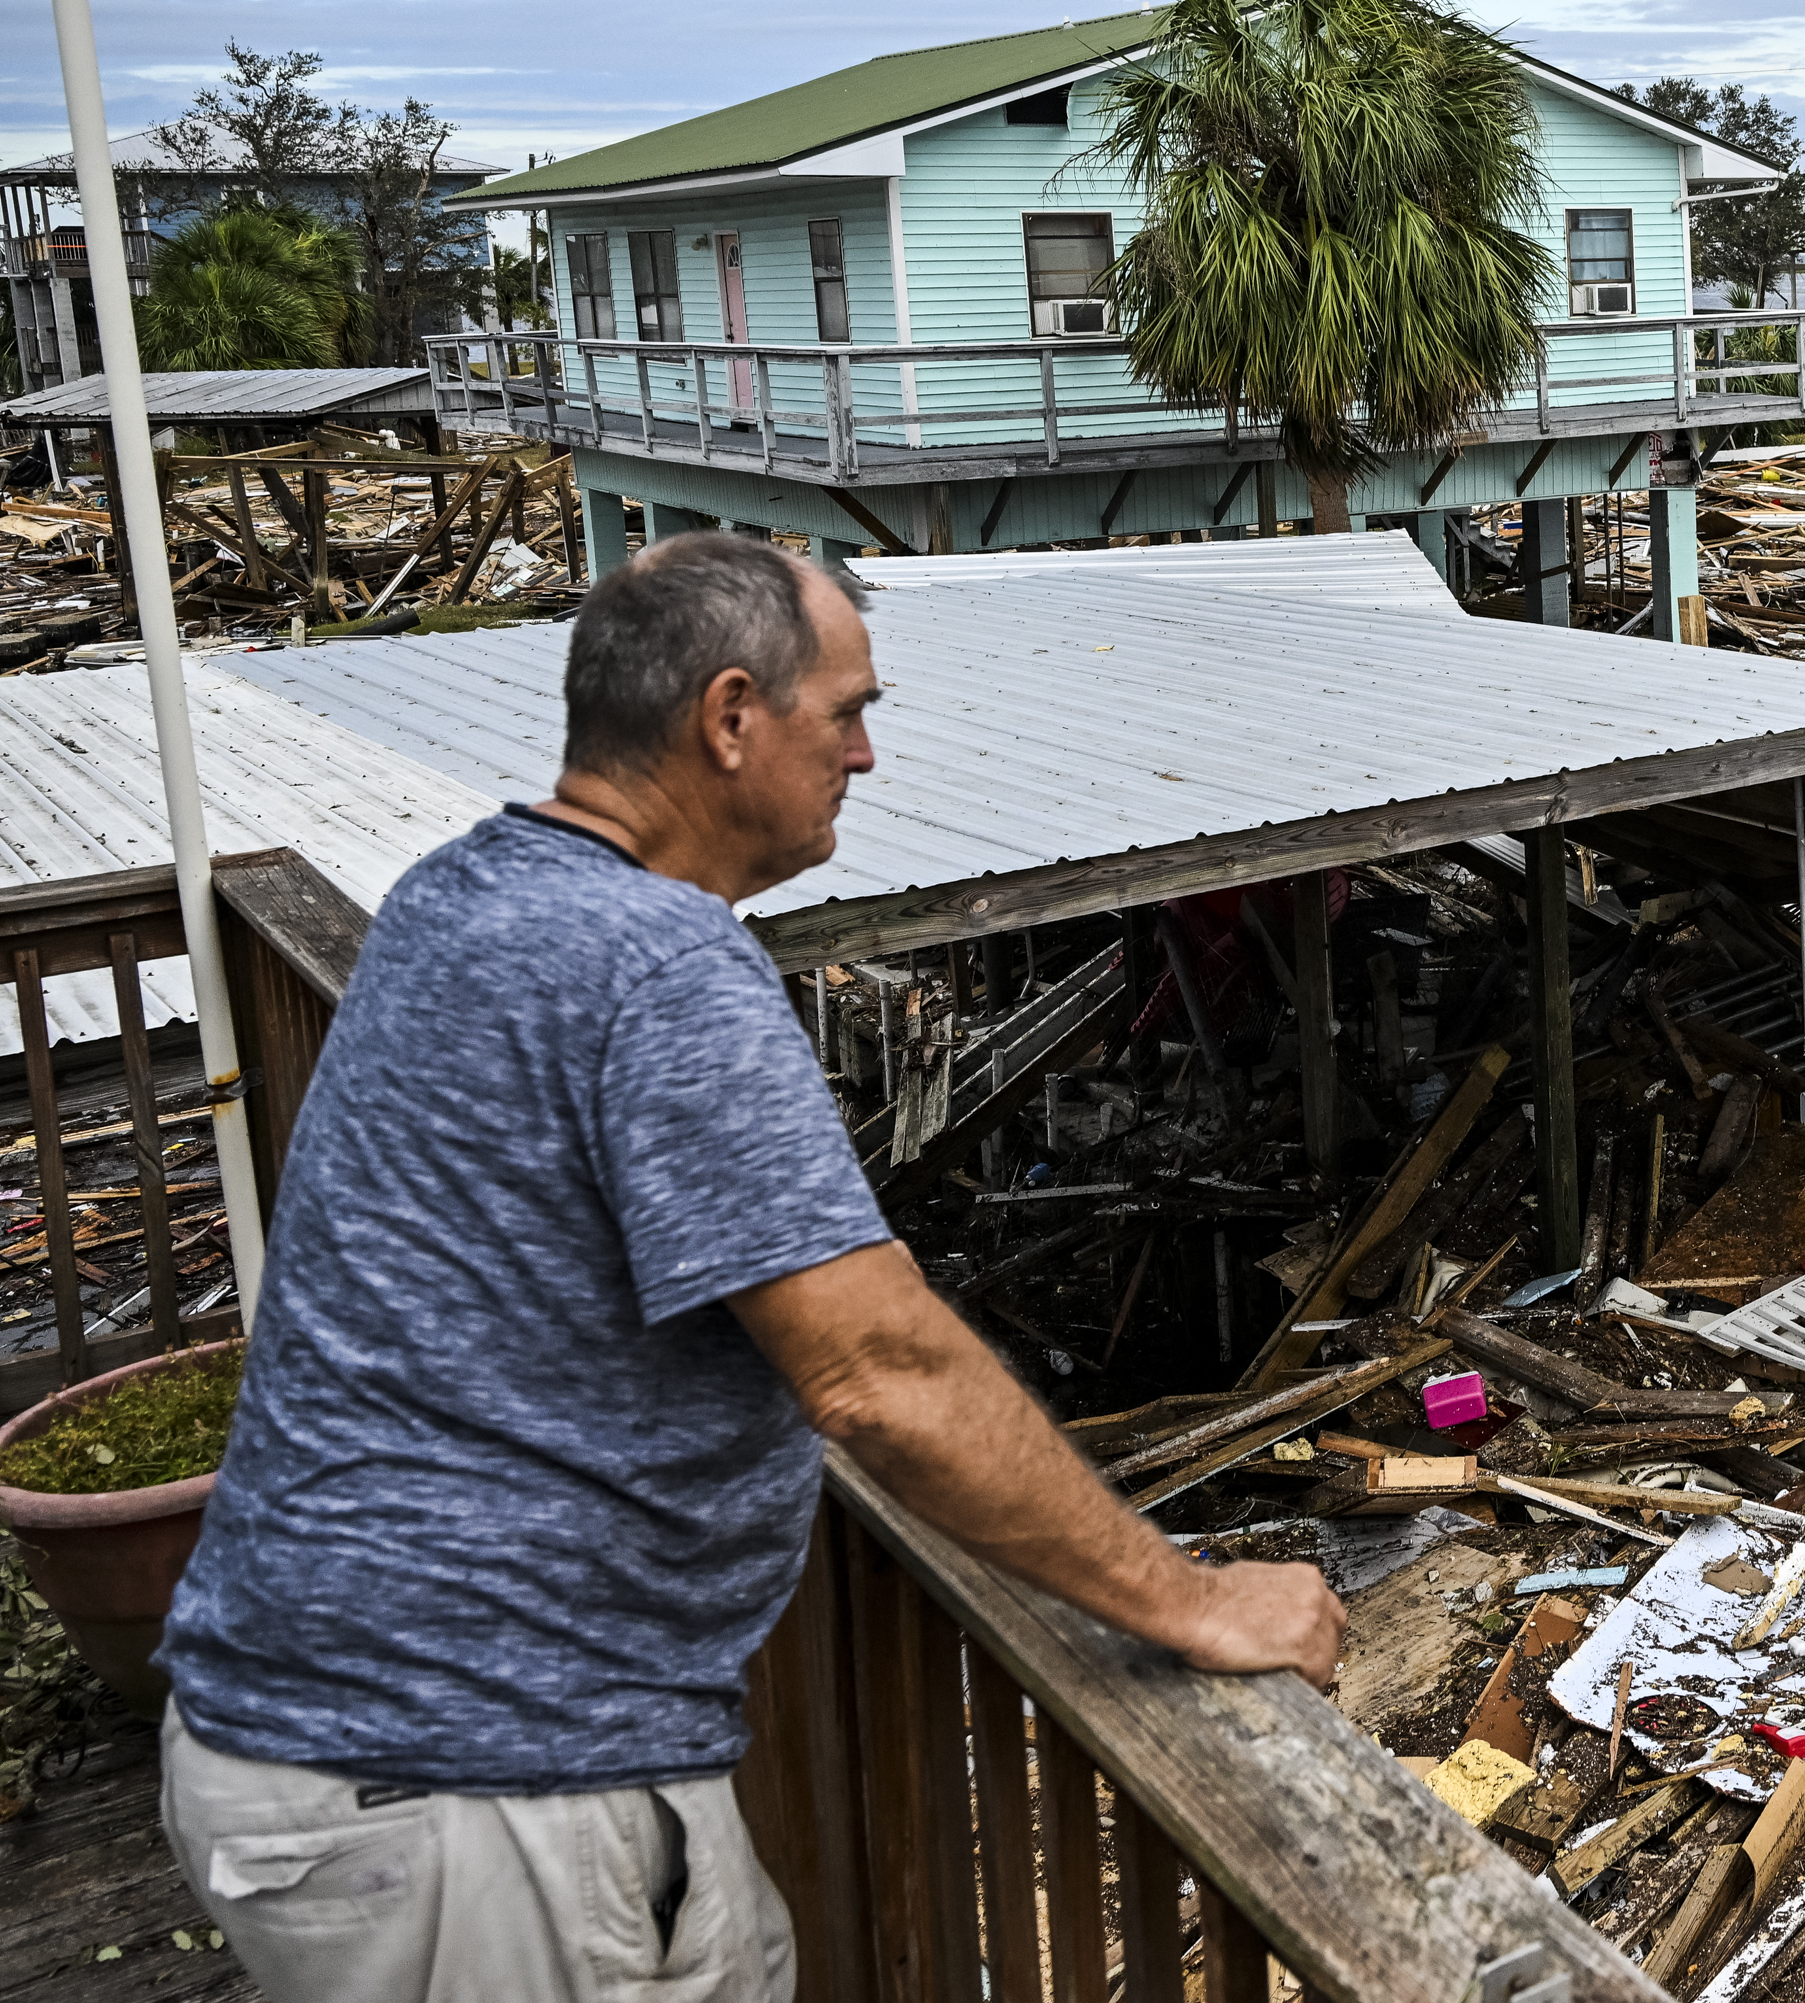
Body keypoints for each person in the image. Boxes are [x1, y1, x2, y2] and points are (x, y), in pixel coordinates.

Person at [156, 533, 1340, 2002]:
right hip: (472, 1775)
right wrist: (1192, 1600)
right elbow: (877, 1369)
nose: (865, 754)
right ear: (730, 718)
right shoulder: (656, 961)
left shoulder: (460, 896)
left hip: (331, 1739)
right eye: (845, 712)